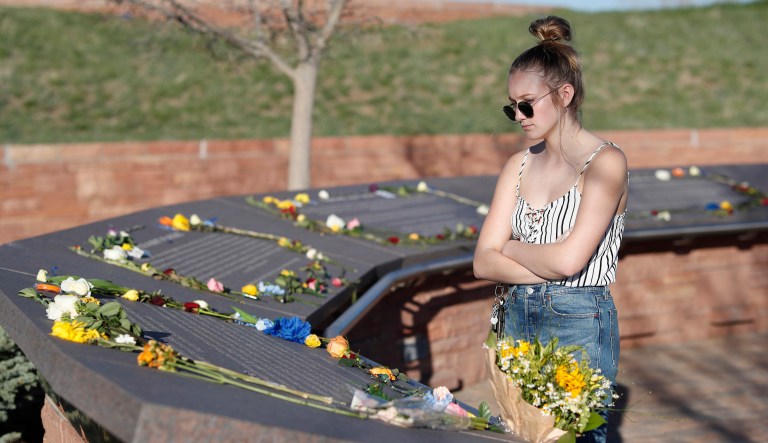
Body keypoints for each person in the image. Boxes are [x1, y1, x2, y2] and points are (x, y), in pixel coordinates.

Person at [472, 15, 628, 443]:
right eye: (512, 107)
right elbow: (483, 262)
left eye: (527, 103)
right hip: (516, 318)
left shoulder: (605, 163)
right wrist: (532, 260)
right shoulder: (517, 164)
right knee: (521, 435)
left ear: (564, 94)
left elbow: (568, 261)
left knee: (576, 438)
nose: (519, 115)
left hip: (577, 319)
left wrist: (513, 246)